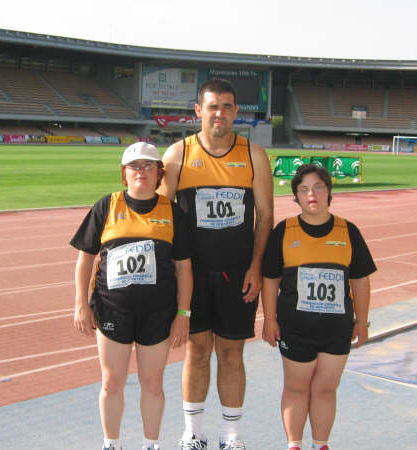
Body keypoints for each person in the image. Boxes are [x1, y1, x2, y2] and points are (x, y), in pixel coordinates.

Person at [158, 78, 274, 450]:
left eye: (226, 106)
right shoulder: (177, 155)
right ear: (198, 111)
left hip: (237, 274)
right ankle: (193, 433)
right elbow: (161, 215)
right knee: (195, 350)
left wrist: (256, 267)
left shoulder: (254, 155)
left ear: (236, 112)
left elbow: (266, 217)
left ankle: (232, 437)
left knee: (231, 352)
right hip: (191, 276)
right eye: (212, 106)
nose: (219, 113)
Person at [71, 142, 193, 450]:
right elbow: (85, 259)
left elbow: (184, 269)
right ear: (125, 174)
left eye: (148, 166)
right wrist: (80, 305)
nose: (141, 172)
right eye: (134, 167)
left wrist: (183, 315)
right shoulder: (107, 206)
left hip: (158, 314)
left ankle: (151, 444)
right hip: (112, 310)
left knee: (152, 383)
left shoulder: (172, 212)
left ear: (158, 174)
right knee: (112, 382)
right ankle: (111, 443)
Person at [261, 164, 377, 450]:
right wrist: (269, 319)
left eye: (318, 187)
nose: (311, 194)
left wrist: (361, 322)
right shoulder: (284, 231)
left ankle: (321, 445)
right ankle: (294, 445)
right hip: (295, 328)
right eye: (303, 189)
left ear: (329, 192)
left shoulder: (348, 231)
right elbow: (271, 278)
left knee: (325, 389)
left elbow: (360, 281)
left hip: (336, 330)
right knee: (296, 387)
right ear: (296, 197)